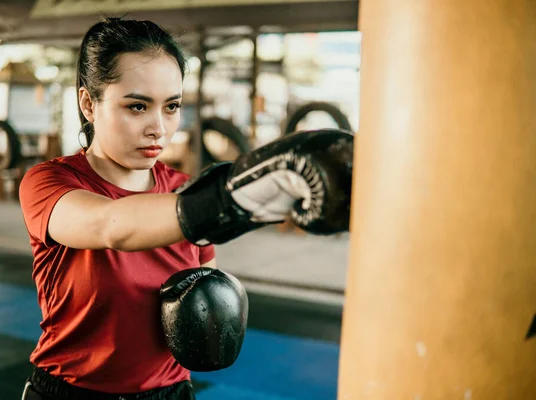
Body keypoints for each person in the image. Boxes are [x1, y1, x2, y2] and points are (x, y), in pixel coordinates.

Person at [19, 17, 353, 400]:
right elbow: (108, 224)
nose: (158, 127)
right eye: (138, 106)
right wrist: (229, 198)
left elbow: (205, 285)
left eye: (172, 105)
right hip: (71, 393)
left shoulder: (183, 190)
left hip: (170, 393)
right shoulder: (49, 183)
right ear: (88, 104)